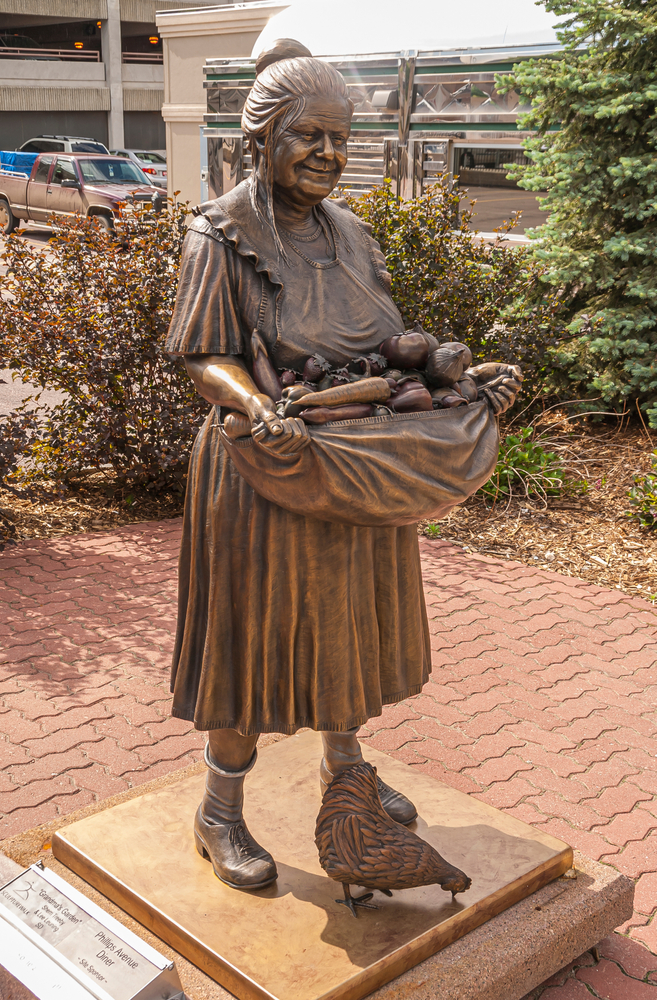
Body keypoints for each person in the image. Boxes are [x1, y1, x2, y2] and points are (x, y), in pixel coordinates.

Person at [164, 41, 520, 892]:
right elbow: (200, 356)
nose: (328, 154)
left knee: (347, 629)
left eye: (340, 137)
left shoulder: (353, 234)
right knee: (249, 649)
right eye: (308, 136)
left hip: (355, 466)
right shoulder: (220, 236)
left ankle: (345, 774)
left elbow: (384, 356)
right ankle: (219, 811)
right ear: (263, 139)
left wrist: (457, 380)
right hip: (260, 473)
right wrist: (254, 404)